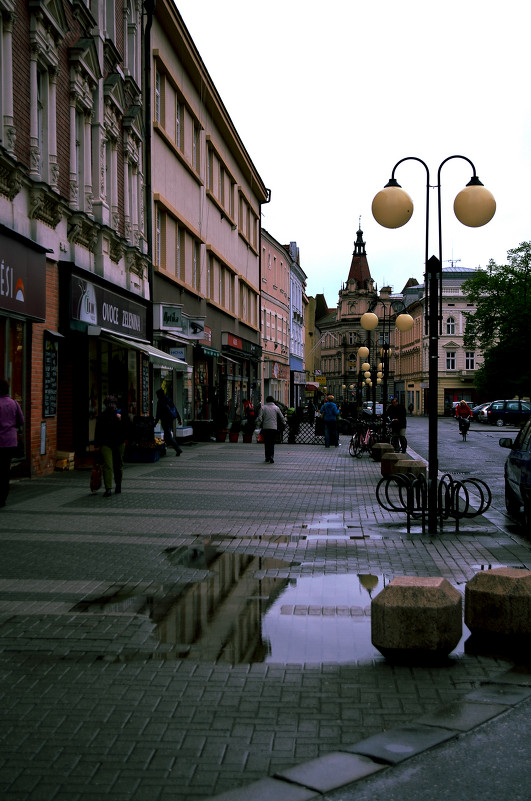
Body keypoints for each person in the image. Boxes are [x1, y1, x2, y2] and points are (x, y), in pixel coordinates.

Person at [94, 395, 128, 497]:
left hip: (119, 442)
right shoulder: (102, 416)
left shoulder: (120, 415)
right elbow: (98, 430)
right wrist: (97, 444)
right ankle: (108, 488)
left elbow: (126, 428)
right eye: (109, 404)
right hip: (106, 443)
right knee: (108, 465)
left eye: (112, 404)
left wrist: (120, 420)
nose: (111, 406)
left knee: (118, 465)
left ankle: (118, 484)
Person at [0, 379, 24, 508]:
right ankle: (2, 498)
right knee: (5, 471)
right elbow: (21, 421)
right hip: (9, 442)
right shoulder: (14, 403)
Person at [256, 395, 285, 463]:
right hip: (273, 428)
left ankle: (267, 457)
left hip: (265, 428)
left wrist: (258, 425)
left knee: (266, 443)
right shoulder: (276, 408)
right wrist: (284, 423)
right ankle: (271, 456)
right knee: (272, 443)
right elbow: (281, 417)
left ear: (266, 400)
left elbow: (260, 417)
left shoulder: (263, 407)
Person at [155, 388, 182, 456]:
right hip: (170, 420)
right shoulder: (168, 399)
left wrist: (155, 423)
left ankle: (177, 449)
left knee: (168, 436)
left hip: (164, 420)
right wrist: (179, 418)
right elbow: (174, 409)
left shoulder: (160, 401)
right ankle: (164, 450)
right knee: (166, 436)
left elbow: (158, 413)